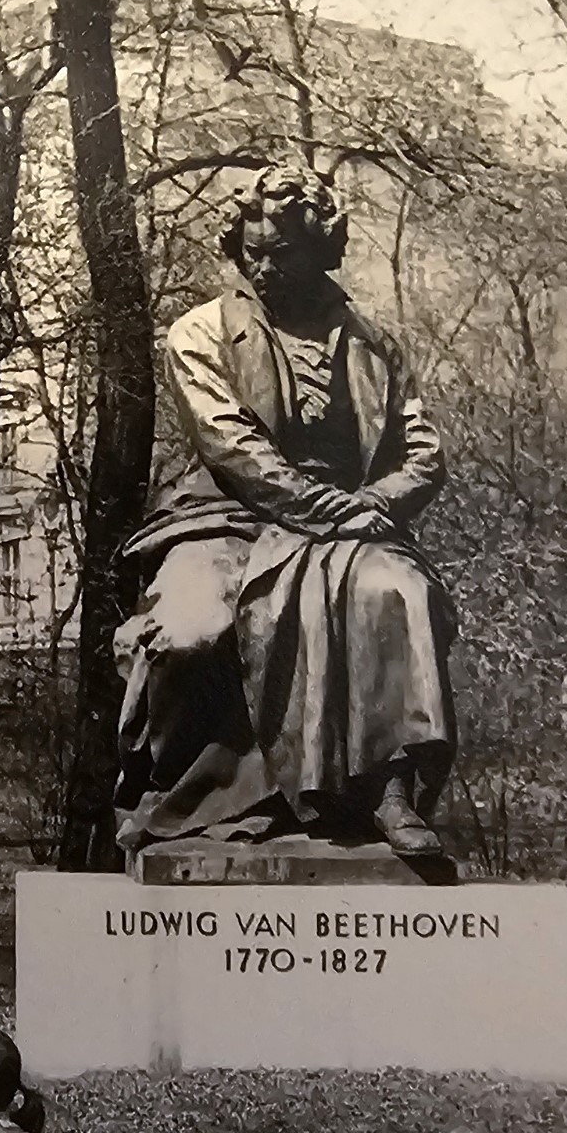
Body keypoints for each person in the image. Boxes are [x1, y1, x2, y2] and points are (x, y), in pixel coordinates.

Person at [116, 164, 457, 858]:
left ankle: (387, 790)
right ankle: (185, 796)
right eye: (252, 254)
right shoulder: (200, 333)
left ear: (321, 248)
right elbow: (231, 447)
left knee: (397, 591)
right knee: (194, 632)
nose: (263, 269)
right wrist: (327, 509)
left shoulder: (375, 345)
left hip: (354, 521)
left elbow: (423, 454)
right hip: (229, 516)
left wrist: (372, 504)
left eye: (282, 254)